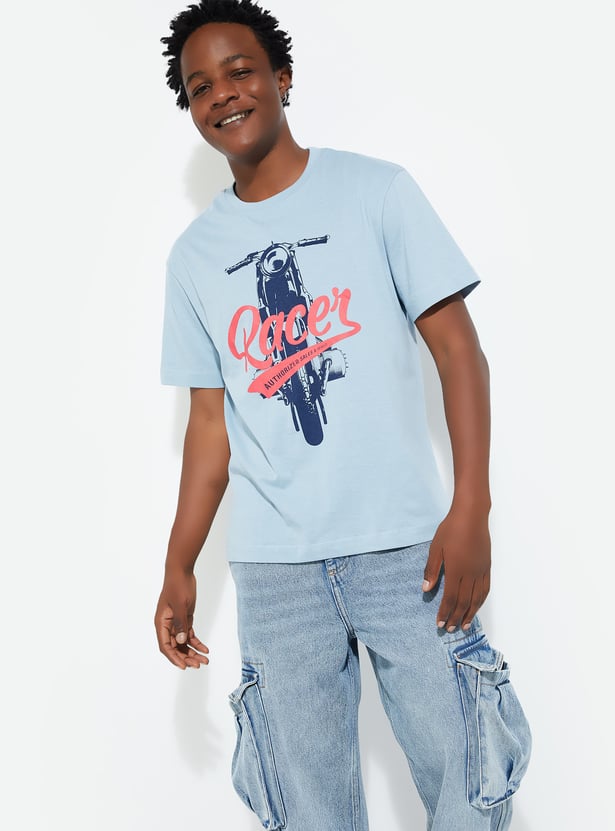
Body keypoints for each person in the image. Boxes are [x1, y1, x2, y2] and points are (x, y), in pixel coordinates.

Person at [154, 2, 532, 829]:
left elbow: (458, 351)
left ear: (282, 77)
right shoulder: (194, 259)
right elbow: (209, 424)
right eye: (199, 85)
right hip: (274, 572)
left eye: (240, 70)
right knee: (306, 807)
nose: (223, 93)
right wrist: (179, 563)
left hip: (405, 552)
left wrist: (471, 505)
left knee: (470, 781)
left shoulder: (376, 191)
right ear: (189, 108)